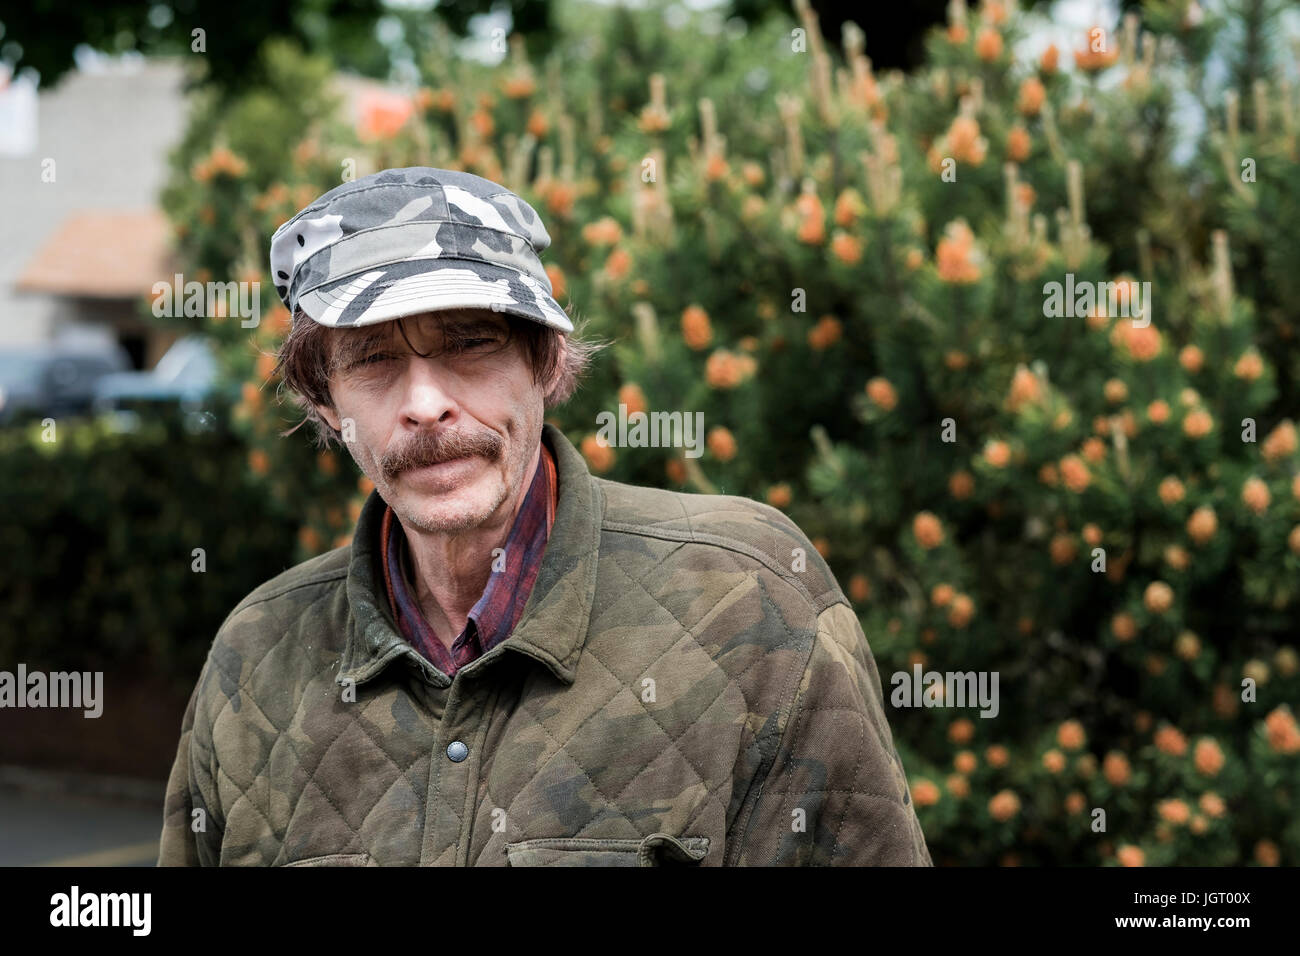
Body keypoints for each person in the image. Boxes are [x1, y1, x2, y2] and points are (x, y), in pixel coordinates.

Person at [158, 166, 932, 866]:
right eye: (373, 358)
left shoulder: (750, 602)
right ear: (325, 399)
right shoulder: (255, 655)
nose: (425, 404)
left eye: (468, 342)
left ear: (546, 362)